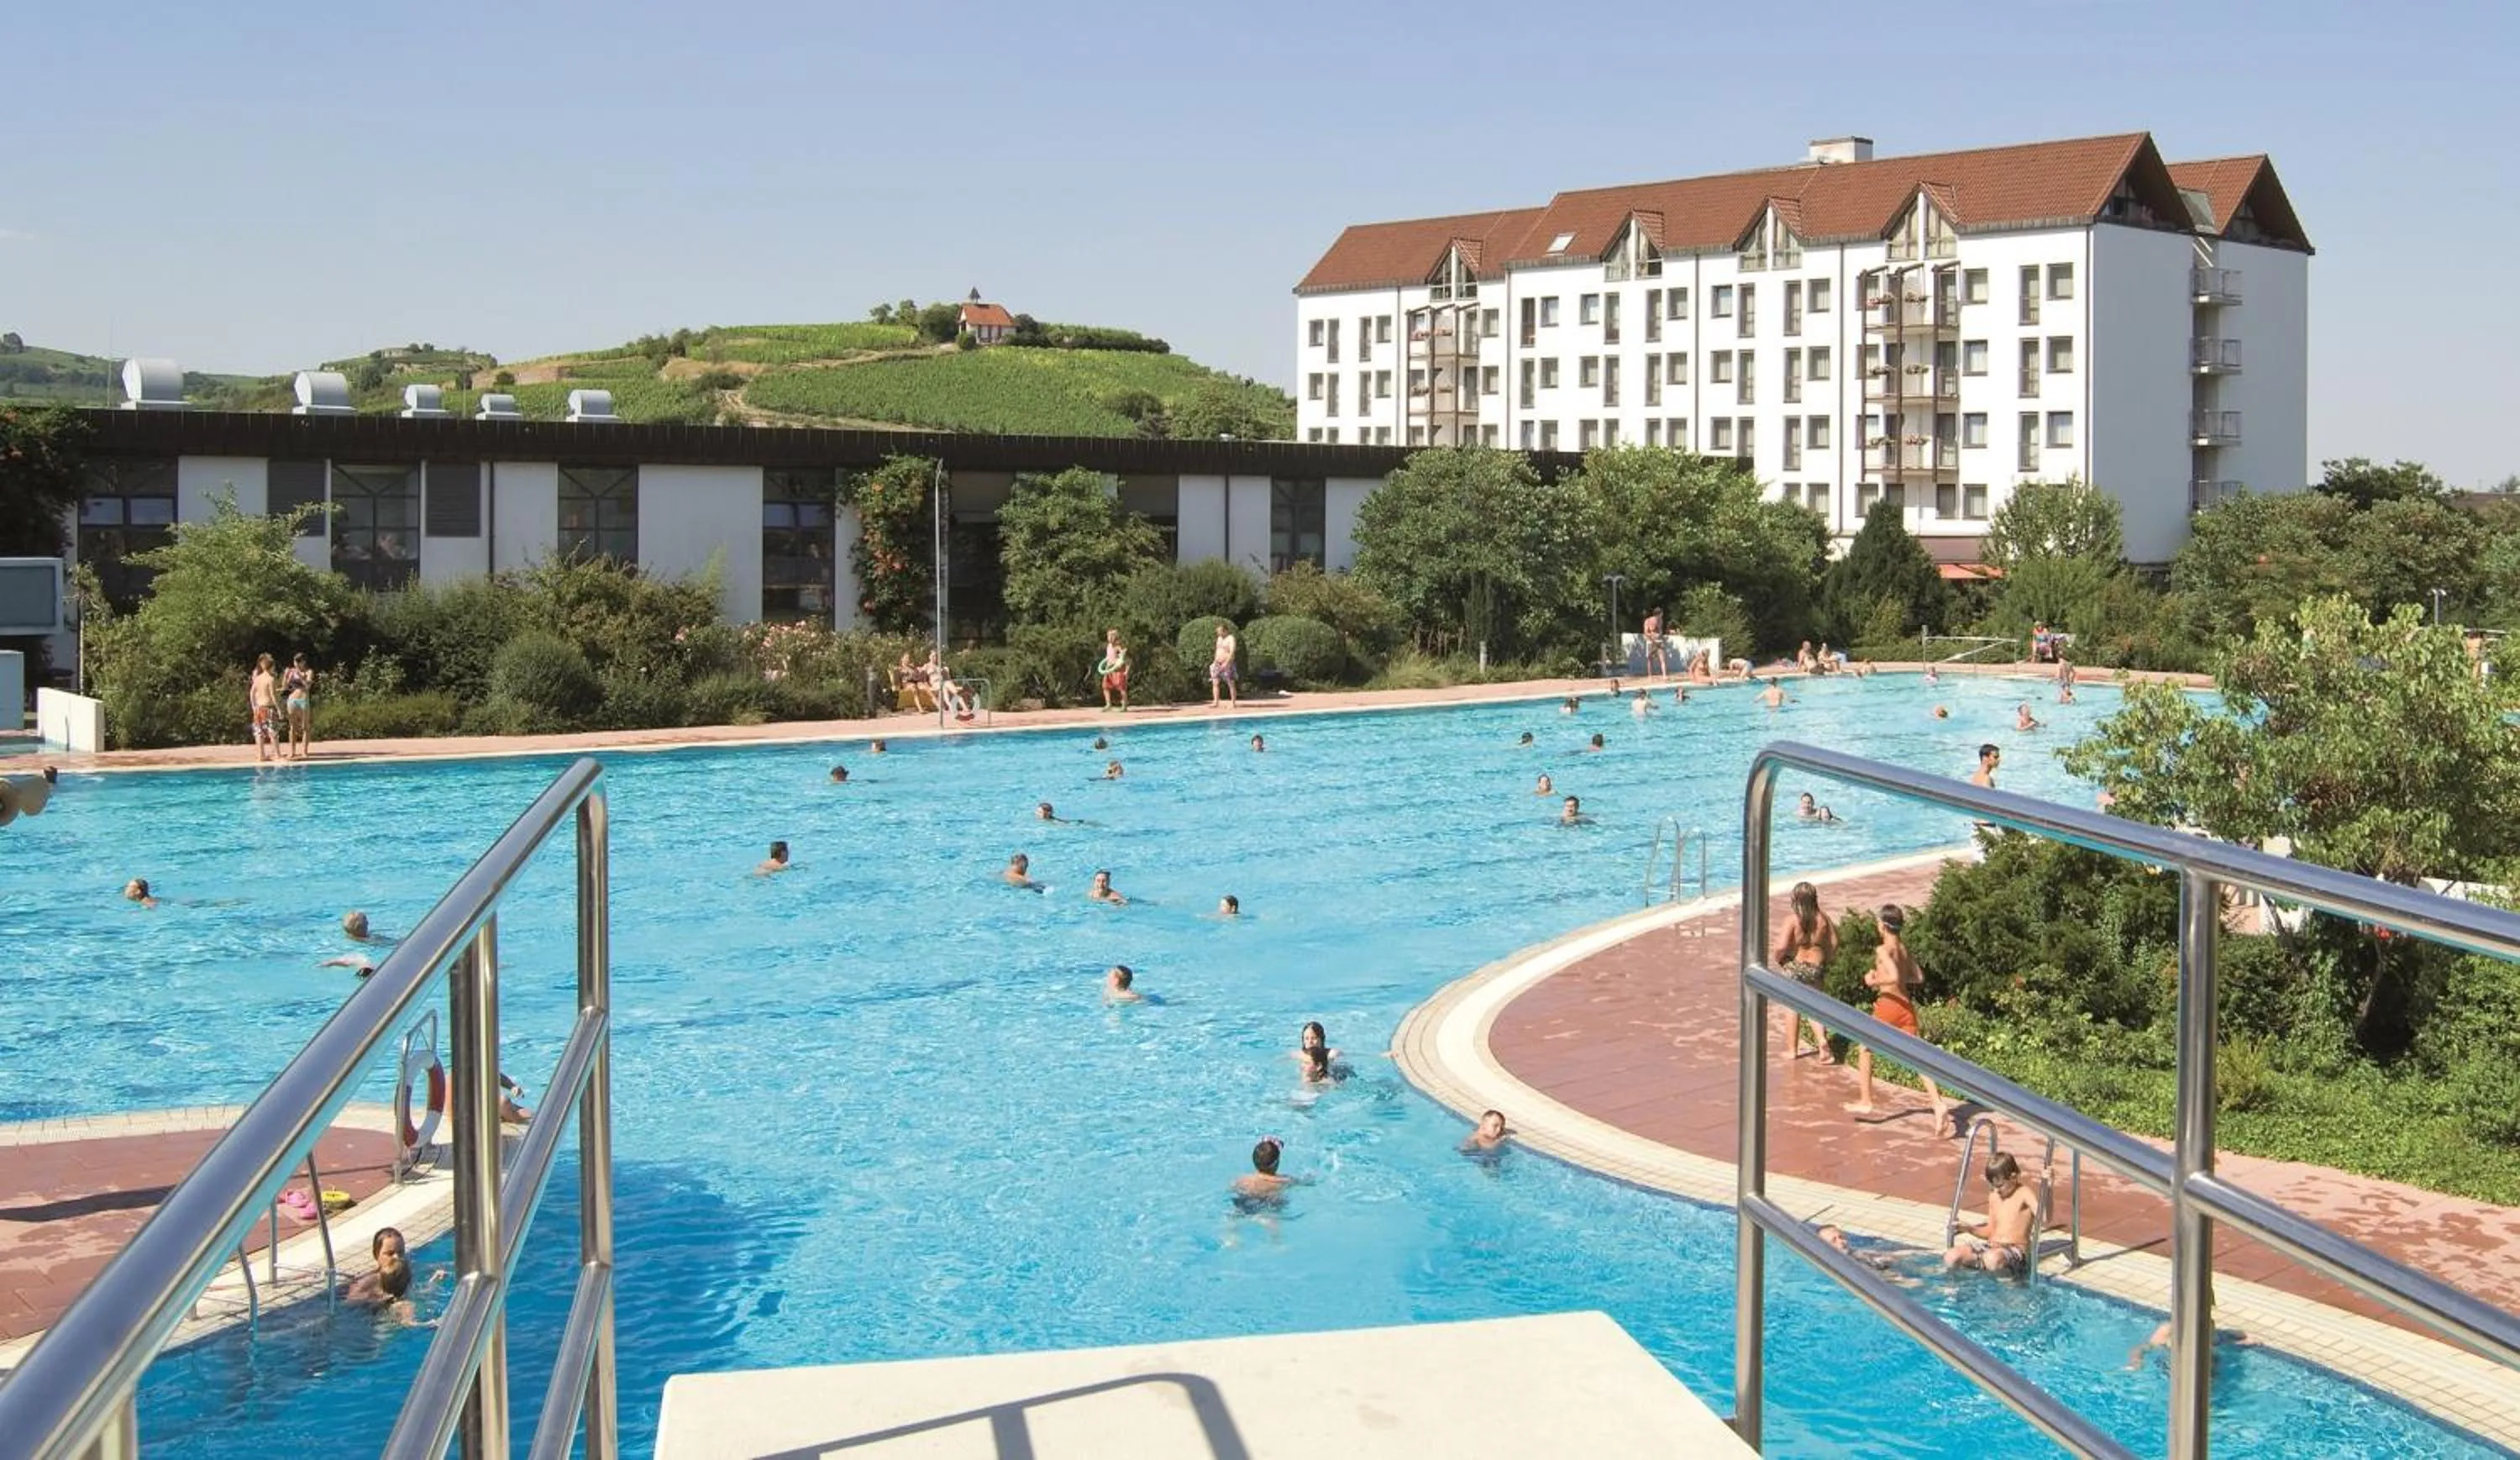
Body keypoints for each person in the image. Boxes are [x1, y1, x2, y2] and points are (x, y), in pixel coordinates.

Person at [1846, 904, 1949, 1135]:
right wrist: (1898, 978)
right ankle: (1938, 1104)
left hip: (1890, 1005)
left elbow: (1892, 976)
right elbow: (1918, 977)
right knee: (1917, 1057)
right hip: (1907, 1008)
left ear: (1882, 925)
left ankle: (1866, 1100)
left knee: (1864, 1048)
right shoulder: (1902, 948)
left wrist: (1874, 981)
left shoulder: (1883, 950)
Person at [1945, 1153, 2055, 1276]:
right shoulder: (1994, 1197)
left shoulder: (2024, 1193)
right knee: (1952, 1256)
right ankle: (1954, 1291)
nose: (1996, 1190)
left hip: (2014, 1251)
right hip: (1991, 1248)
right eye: (1993, 1186)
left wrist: (2049, 1187)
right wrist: (1968, 1228)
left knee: (1993, 1259)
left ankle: (2012, 1284)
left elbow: (2045, 1218)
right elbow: (1989, 1231)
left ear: (2014, 1177)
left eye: (2000, 1186)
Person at [1772, 881, 1837, 1061]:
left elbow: (1781, 947)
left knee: (1793, 1006)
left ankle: (1792, 1050)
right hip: (1816, 968)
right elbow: (1834, 943)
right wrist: (1827, 958)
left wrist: (1780, 960)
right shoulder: (1824, 919)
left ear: (1795, 900)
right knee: (1814, 1007)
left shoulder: (1792, 920)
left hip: (1796, 967)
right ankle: (1823, 1043)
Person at [344, 1226, 413, 1308]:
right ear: (376, 1255)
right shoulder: (367, 1282)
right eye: (390, 1254)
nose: (396, 1257)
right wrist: (378, 1300)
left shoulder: (404, 1275)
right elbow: (350, 1303)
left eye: (401, 1252)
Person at [1231, 1137, 1293, 1214]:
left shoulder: (1243, 1179)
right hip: (1264, 1204)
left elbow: (1232, 1187)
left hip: (1244, 1202)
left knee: (1236, 1213)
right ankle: (1262, 1218)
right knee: (1279, 1201)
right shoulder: (1282, 1180)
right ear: (1277, 1163)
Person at [282, 653, 315, 761]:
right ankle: (292, 751)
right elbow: (285, 687)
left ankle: (304, 752)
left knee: (305, 726)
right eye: (294, 661)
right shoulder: (291, 672)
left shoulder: (308, 672)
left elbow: (307, 686)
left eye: (298, 662)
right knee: (293, 727)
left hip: (303, 699)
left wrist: (300, 675)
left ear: (303, 662)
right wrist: (286, 676)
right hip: (292, 699)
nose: (295, 664)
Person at [249, 653, 279, 764]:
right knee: (273, 732)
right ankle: (277, 754)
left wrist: (253, 706)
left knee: (259, 732)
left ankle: (261, 755)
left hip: (259, 708)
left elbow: (252, 693)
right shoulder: (271, 679)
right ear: (271, 667)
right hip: (269, 708)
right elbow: (273, 696)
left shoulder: (257, 679)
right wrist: (279, 709)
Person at [1097, 628, 1131, 712]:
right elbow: (1108, 657)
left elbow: (1126, 659)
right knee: (1105, 687)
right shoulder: (1108, 646)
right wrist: (1107, 666)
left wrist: (1127, 670)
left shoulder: (1118, 647)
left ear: (1116, 637)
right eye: (1109, 636)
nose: (1110, 638)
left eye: (1112, 636)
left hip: (1118, 670)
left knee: (1121, 688)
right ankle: (1108, 704)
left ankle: (1124, 706)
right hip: (1109, 669)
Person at [1210, 622, 1240, 707]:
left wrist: (1227, 662)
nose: (1218, 633)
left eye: (1220, 632)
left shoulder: (1231, 638)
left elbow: (1232, 651)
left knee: (1230, 682)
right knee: (1215, 682)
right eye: (1218, 632)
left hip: (1227, 663)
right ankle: (1216, 702)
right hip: (1217, 663)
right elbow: (1218, 650)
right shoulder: (1219, 639)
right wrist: (1215, 661)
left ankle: (1233, 703)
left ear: (1225, 631)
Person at [1642, 607, 1667, 677]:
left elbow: (1660, 631)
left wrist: (1659, 635)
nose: (1662, 615)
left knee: (1662, 658)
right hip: (1651, 641)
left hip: (1658, 641)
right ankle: (1650, 675)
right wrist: (1652, 638)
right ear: (1658, 614)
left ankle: (1664, 675)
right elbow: (1646, 632)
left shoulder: (1660, 621)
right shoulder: (1648, 621)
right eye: (1661, 614)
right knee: (1650, 659)